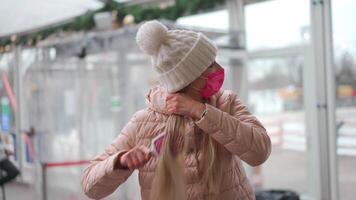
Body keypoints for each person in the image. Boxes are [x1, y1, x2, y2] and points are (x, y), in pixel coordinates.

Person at [81, 20, 271, 200]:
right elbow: (90, 186)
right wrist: (120, 161)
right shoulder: (143, 122)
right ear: (190, 77)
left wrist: (201, 112)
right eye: (210, 64)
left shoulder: (226, 103)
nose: (218, 69)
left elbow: (260, 151)